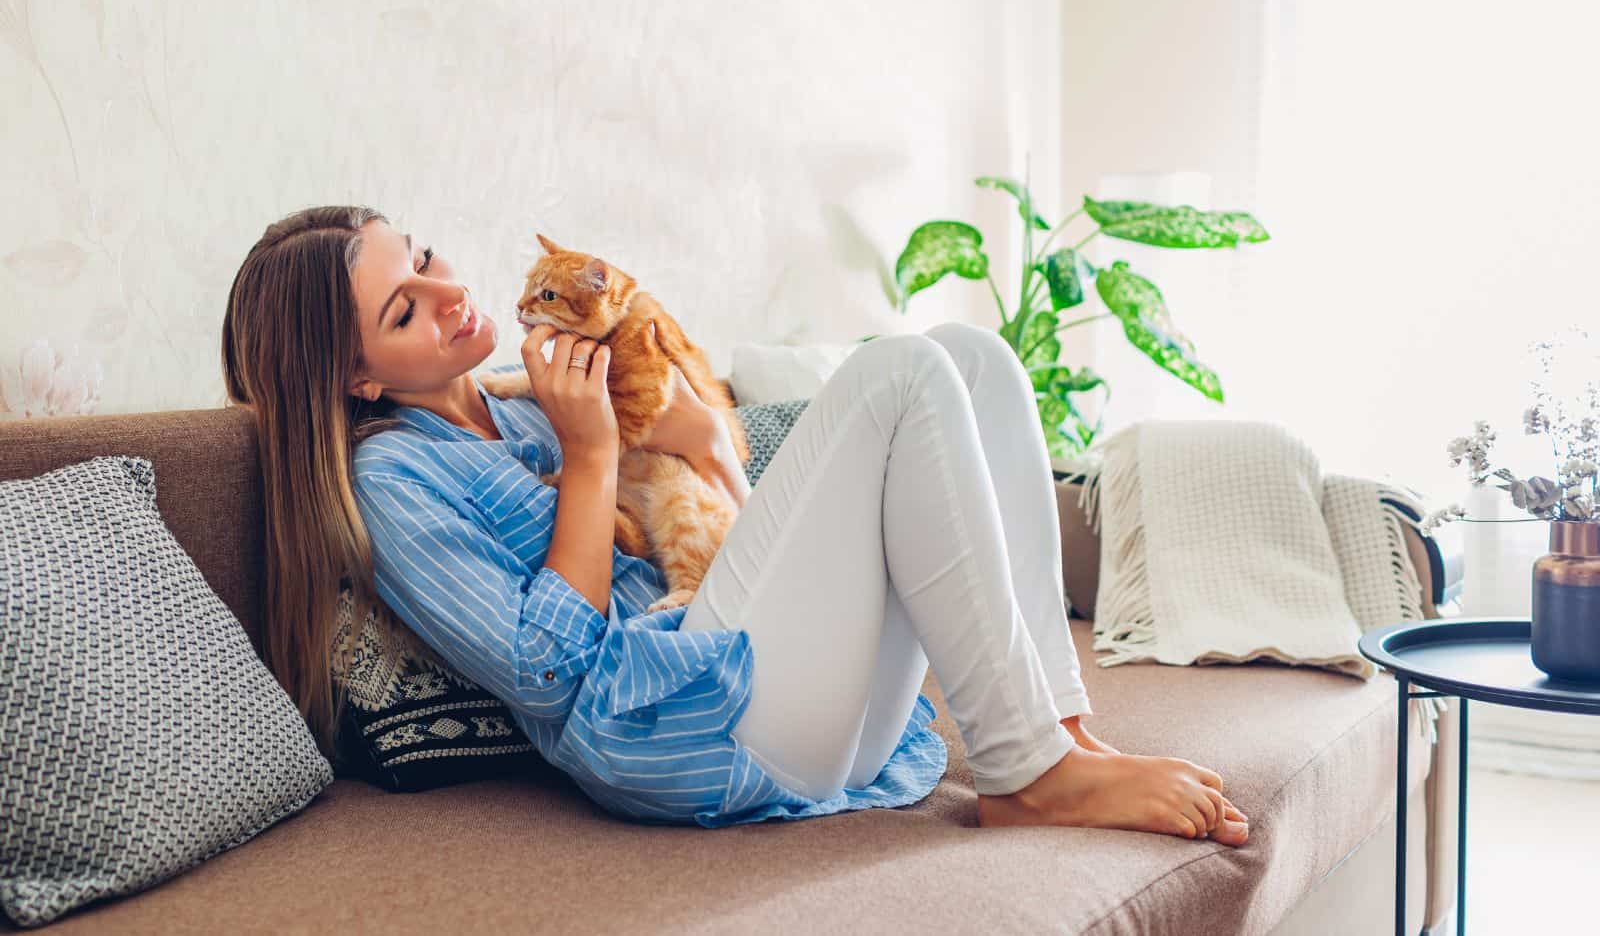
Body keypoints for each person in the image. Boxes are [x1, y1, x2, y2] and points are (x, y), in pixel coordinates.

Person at [221, 205, 1249, 843]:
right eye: (403, 310)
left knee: (972, 356)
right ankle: (1032, 779)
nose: (448, 293)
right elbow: (543, 673)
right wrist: (590, 458)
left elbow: (718, 469)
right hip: (674, 724)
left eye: (429, 258)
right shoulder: (391, 481)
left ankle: (1053, 733)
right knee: (900, 371)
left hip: (758, 665)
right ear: (354, 378)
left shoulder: (515, 400)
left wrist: (665, 416)